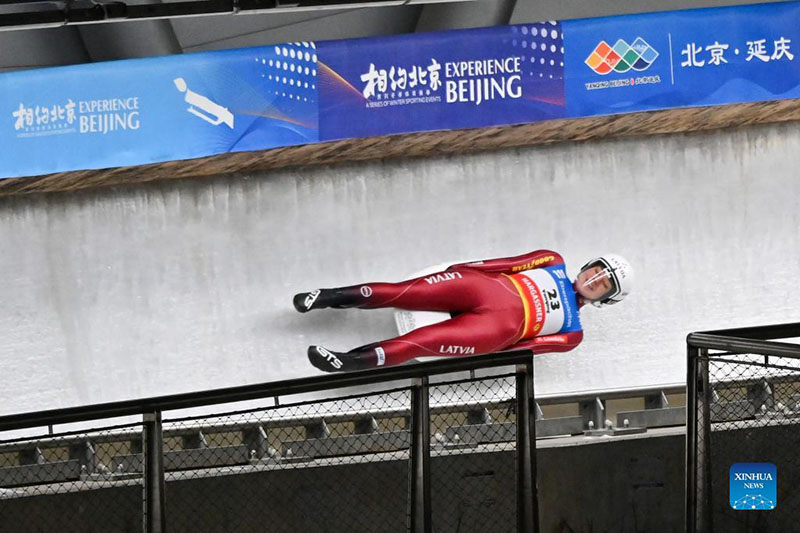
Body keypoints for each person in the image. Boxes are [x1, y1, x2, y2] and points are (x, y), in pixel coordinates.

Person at [293, 250, 633, 372]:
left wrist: (487, 351)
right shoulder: (552, 260)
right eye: (597, 270)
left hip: (494, 329)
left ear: (606, 299)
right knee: (401, 292)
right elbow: (507, 264)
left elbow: (525, 349)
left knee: (418, 342)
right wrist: (461, 269)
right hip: (481, 287)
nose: (594, 279)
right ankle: (325, 296)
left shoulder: (573, 334)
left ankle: (348, 362)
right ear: (588, 265)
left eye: (603, 283)